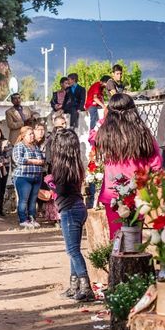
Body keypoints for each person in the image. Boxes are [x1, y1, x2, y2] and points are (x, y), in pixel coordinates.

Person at [95, 93, 162, 239]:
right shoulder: (144, 134)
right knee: (134, 238)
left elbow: (91, 137)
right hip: (138, 194)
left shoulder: (104, 135)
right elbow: (156, 164)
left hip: (112, 195)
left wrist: (103, 119)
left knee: (117, 238)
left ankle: (117, 261)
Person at [50, 129, 95, 301]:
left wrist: (49, 181)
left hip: (69, 210)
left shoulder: (61, 168)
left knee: (72, 251)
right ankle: (74, 285)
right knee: (73, 250)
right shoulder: (75, 165)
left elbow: (60, 190)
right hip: (77, 207)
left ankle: (86, 287)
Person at [12, 127, 45, 228]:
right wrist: (33, 161)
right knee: (24, 200)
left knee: (33, 200)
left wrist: (41, 161)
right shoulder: (19, 146)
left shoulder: (35, 146)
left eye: (32, 134)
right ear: (23, 136)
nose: (32, 136)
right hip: (23, 177)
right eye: (30, 134)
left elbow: (41, 158)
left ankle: (32, 219)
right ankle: (23, 219)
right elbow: (17, 159)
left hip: (36, 176)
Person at [0, 125, 11, 217]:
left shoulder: (6, 142)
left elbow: (8, 156)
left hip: (4, 167)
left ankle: (0, 209)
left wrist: (1, 161)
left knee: (2, 189)